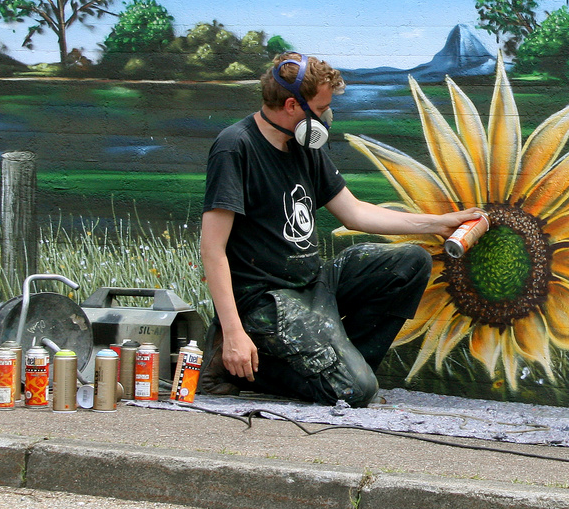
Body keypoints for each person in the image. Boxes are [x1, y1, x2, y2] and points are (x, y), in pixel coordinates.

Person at [197, 52, 480, 404]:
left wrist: (439, 223)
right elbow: (212, 249)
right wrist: (235, 330)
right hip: (265, 302)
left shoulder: (303, 146)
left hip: (314, 285)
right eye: (320, 109)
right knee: (354, 391)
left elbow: (355, 213)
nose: (326, 118)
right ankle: (238, 364)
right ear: (290, 105)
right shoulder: (235, 147)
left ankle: (339, 367)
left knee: (411, 263)